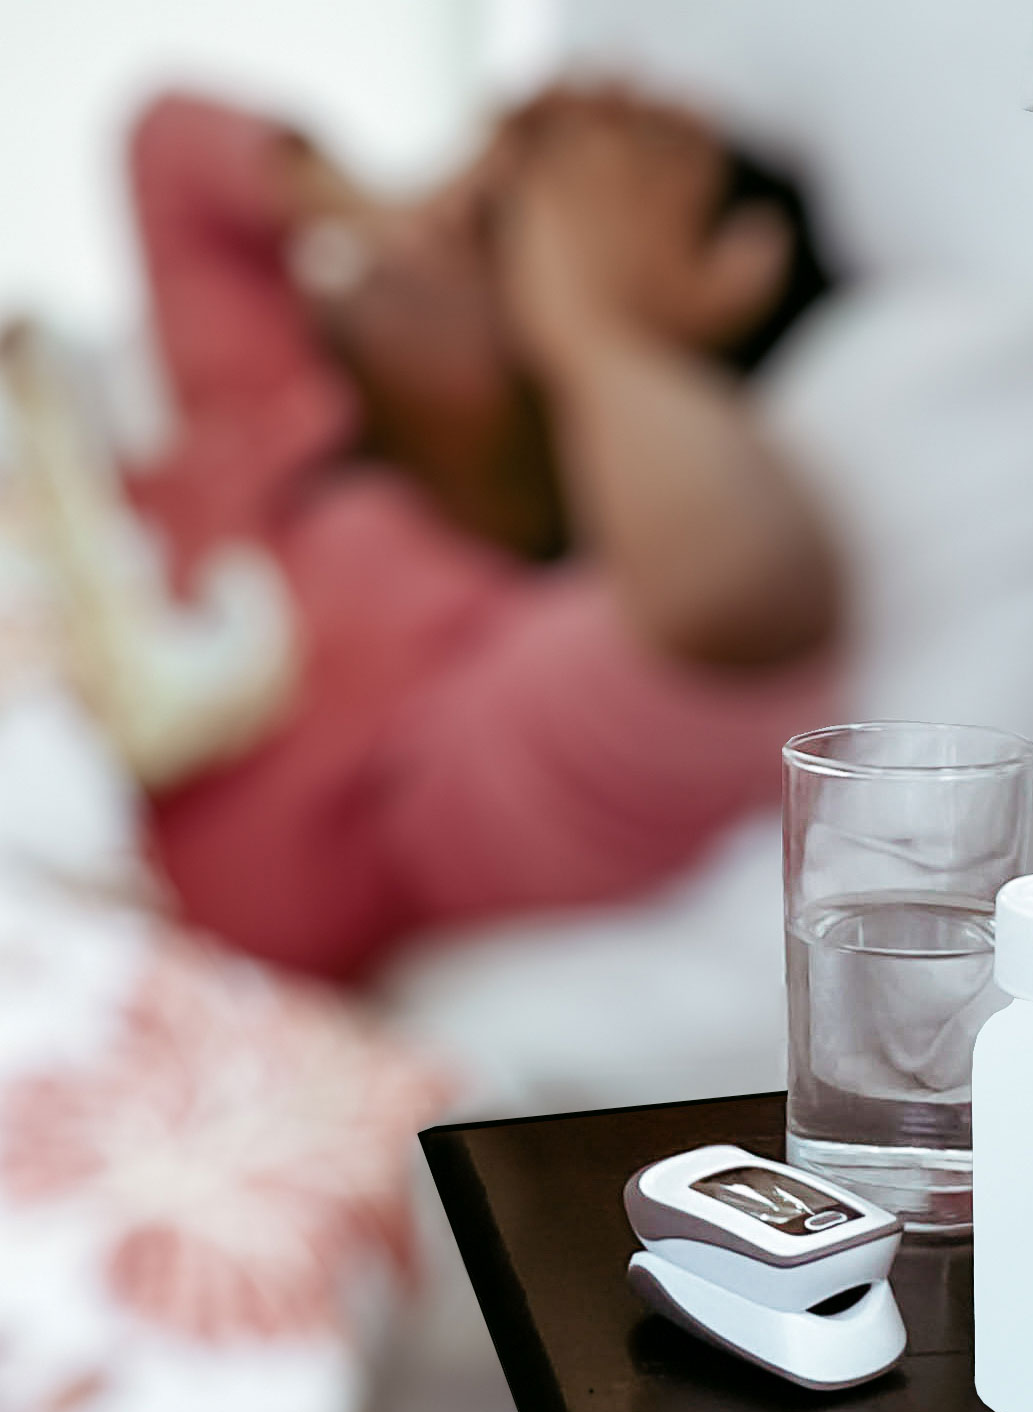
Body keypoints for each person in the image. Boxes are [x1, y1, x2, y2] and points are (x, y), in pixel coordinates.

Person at [124, 85, 845, 984]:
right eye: (469, 165)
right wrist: (380, 206)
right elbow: (171, 142)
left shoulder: (468, 703)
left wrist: (601, 328)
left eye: (500, 216)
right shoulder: (282, 418)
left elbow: (740, 588)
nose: (447, 204)